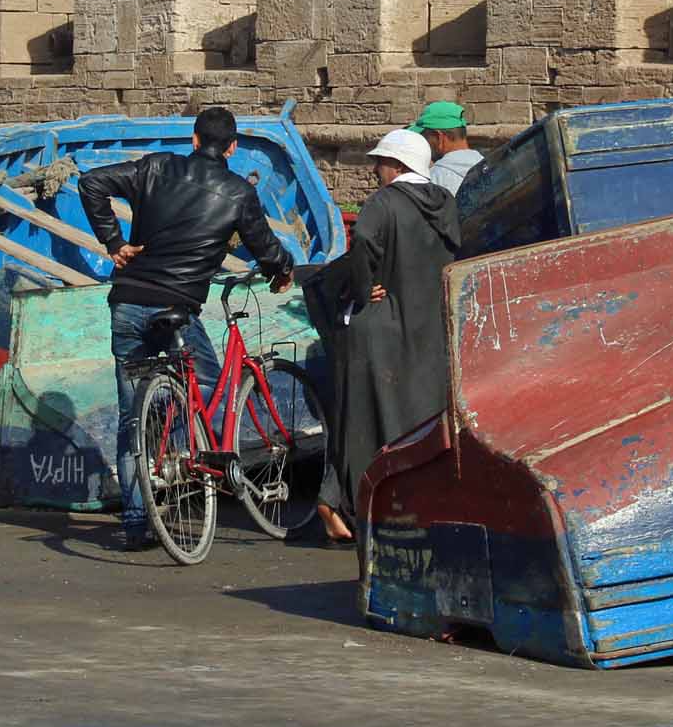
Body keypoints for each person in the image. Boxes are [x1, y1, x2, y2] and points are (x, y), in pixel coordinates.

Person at [79, 106, 293, 549]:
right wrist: (281, 270)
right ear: (232, 148)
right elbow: (264, 245)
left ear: (194, 140)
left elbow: (92, 182)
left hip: (128, 299)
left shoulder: (156, 166)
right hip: (179, 305)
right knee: (214, 389)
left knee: (128, 417)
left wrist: (114, 244)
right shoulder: (236, 192)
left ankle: (137, 523)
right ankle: (197, 463)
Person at [314, 127, 462, 542]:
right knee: (420, 420)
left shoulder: (384, 202)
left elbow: (361, 240)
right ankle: (413, 506)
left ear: (397, 165)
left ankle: (347, 504)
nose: (376, 170)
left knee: (360, 419)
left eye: (380, 162)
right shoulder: (445, 203)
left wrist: (363, 287)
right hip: (428, 328)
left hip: (380, 326)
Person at [413, 100, 484, 197]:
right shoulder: (489, 167)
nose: (423, 143)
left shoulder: (433, 180)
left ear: (438, 137)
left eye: (424, 137)